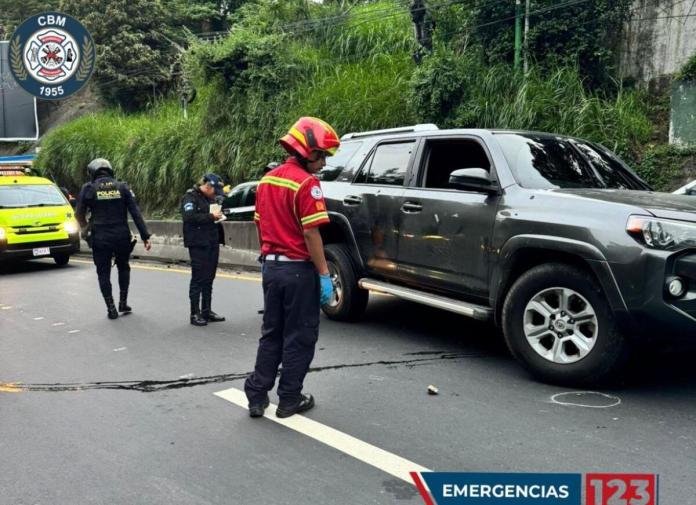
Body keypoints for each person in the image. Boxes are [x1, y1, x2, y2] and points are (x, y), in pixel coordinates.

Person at [244, 117, 337, 419]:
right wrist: (324, 275)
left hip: (271, 269)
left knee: (272, 333)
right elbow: (312, 233)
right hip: (298, 272)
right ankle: (289, 399)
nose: (323, 162)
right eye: (321, 155)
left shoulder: (267, 180)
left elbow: (260, 225)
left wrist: (270, 254)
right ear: (305, 151)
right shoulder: (307, 184)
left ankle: (257, 396)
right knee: (300, 335)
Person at [76, 158, 152, 319]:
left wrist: (86, 227)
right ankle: (123, 302)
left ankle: (111, 308)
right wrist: (145, 236)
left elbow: (78, 214)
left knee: (103, 272)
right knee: (123, 267)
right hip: (121, 236)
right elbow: (136, 213)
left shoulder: (88, 188)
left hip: (100, 237)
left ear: (93, 173)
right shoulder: (122, 187)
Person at [182, 173, 227, 326]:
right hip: (198, 243)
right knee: (198, 279)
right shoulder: (190, 197)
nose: (216, 194)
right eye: (214, 190)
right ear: (208, 186)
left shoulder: (211, 198)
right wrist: (210, 216)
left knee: (209, 278)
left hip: (212, 242)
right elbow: (189, 217)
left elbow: (213, 216)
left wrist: (219, 215)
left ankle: (206, 311)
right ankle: (194, 313)